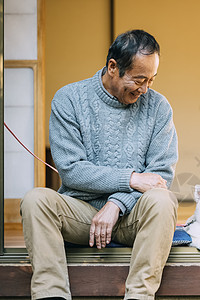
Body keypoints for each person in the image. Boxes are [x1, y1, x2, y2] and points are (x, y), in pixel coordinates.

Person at [20, 29, 178, 300]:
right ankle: (51, 294)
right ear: (113, 67)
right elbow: (71, 170)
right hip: (81, 213)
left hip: (132, 215)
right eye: (139, 79)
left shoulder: (159, 107)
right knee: (36, 200)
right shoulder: (69, 99)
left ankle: (139, 295)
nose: (145, 89)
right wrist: (130, 179)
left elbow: (159, 175)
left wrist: (116, 203)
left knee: (164, 201)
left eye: (151, 80)